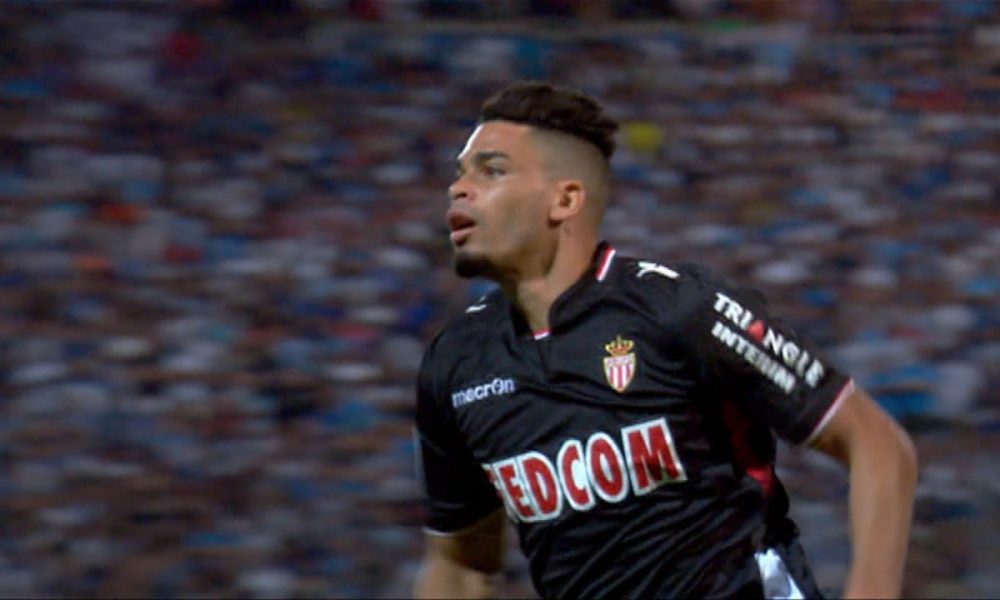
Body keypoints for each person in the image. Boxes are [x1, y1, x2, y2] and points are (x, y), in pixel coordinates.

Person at [413, 81, 917, 599]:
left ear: (564, 200)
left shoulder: (678, 309)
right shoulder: (456, 364)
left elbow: (876, 444)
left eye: (491, 170)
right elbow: (462, 565)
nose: (459, 188)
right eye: (460, 172)